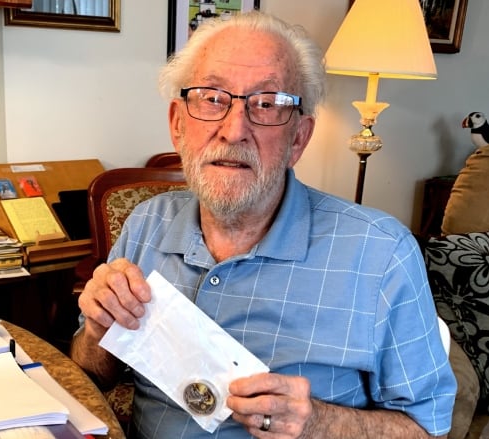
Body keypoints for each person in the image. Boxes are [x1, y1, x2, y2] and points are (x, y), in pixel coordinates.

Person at [70, 11, 456, 439]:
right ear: (178, 124)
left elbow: (427, 429)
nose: (234, 130)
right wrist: (96, 331)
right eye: (212, 98)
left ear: (299, 138)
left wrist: (317, 423)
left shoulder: (382, 255)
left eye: (267, 104)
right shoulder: (145, 224)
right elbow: (91, 375)